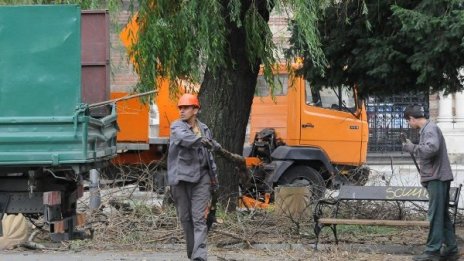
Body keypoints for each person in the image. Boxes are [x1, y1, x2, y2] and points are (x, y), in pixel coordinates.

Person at [167, 93, 220, 261]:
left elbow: (209, 156)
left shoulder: (204, 128)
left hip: (201, 178)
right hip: (181, 179)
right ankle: (193, 253)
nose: (181, 111)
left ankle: (199, 256)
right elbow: (185, 139)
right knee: (185, 218)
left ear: (195, 109)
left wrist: (214, 178)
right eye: (180, 108)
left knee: (199, 218)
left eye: (186, 108)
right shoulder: (177, 127)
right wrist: (202, 140)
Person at [402, 105, 459, 261]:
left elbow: (432, 149)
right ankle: (452, 249)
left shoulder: (429, 129)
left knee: (435, 215)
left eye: (408, 122)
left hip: (437, 178)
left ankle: (432, 251)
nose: (409, 125)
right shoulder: (429, 129)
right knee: (442, 215)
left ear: (412, 119)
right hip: (438, 177)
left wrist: (412, 148)